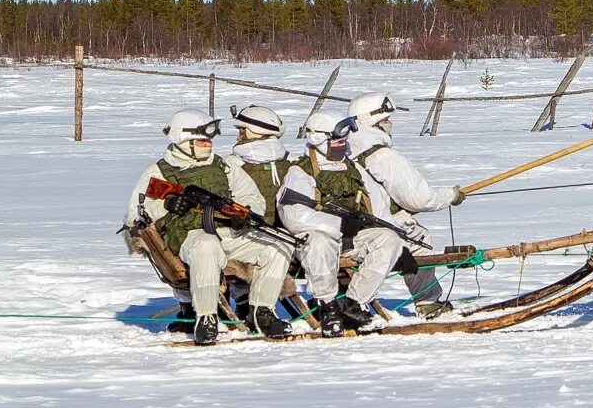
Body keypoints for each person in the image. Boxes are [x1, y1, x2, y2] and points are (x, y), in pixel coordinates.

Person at [123, 109, 293, 345]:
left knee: (279, 246)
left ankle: (261, 311)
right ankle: (206, 317)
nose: (208, 144)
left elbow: (252, 197)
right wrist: (168, 205)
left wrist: (243, 213)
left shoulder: (222, 166)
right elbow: (136, 214)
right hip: (189, 237)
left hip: (230, 233)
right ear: (184, 140)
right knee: (206, 245)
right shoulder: (159, 172)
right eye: (202, 139)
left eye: (209, 139)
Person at [278, 110, 419, 337]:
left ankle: (355, 304)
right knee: (319, 242)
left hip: (354, 237)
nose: (341, 145)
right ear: (318, 139)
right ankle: (328, 307)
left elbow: (379, 209)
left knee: (388, 239)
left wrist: (401, 247)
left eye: (343, 140)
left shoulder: (354, 168)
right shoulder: (300, 171)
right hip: (314, 240)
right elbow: (294, 217)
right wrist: (340, 225)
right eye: (336, 140)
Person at [346, 92, 466, 319]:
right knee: (421, 241)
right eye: (386, 119)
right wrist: (452, 195)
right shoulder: (383, 156)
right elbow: (420, 199)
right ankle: (427, 302)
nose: (390, 124)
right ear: (373, 121)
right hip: (371, 231)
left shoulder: (345, 148)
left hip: (347, 228)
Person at [224, 104, 296, 317]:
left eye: (241, 131)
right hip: (291, 234)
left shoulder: (232, 164)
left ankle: (244, 299)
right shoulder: (292, 162)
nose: (238, 137)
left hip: (251, 236)